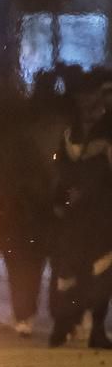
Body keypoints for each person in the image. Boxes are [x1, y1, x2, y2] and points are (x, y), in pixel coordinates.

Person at [49, 78, 112, 349]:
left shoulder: (107, 132)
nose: (88, 104)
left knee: (101, 269)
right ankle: (64, 324)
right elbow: (60, 172)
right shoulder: (68, 134)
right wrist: (61, 201)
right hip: (75, 215)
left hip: (102, 213)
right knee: (68, 271)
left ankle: (95, 327)